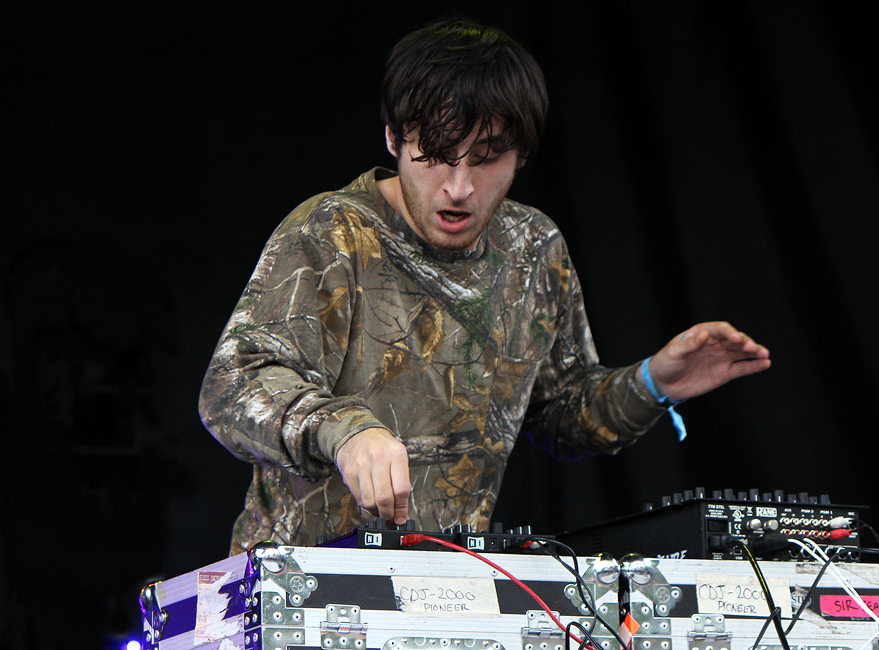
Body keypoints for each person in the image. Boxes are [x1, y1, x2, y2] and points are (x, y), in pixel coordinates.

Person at [199, 18, 771, 556]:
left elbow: (563, 415)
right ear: (394, 138)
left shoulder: (532, 246)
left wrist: (652, 382)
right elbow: (233, 383)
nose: (459, 187)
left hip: (448, 587)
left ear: (521, 154)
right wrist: (346, 431)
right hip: (303, 584)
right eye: (437, 156)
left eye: (488, 158)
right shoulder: (333, 232)